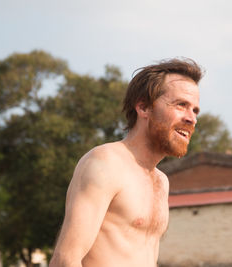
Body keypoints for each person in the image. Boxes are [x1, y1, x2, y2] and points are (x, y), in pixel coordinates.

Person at [49, 58, 203, 267]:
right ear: (143, 108)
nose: (191, 118)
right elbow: (65, 259)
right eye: (181, 105)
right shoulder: (106, 163)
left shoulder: (161, 181)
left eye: (195, 110)